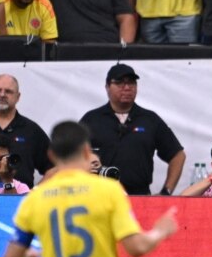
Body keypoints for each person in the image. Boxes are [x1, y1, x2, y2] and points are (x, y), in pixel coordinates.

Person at [2, 121, 178, 257]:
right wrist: (160, 231)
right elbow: (137, 248)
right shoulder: (108, 190)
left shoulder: (34, 200)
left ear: (51, 155)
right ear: (87, 151)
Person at [79, 63, 186, 196]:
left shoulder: (149, 119)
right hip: (98, 195)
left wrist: (166, 191)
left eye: (131, 83)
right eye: (119, 83)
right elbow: (72, 157)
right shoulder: (91, 119)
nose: (127, 87)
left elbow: (178, 155)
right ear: (107, 87)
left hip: (139, 196)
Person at [0, 73, 52, 188]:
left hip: (21, 202)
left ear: (18, 96)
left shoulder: (31, 130)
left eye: (8, 91)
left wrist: (34, 193)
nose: (2, 94)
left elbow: (55, 167)